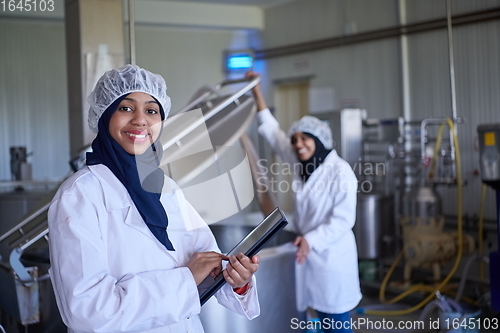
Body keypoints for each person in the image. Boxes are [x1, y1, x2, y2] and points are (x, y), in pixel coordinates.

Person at [48, 64, 260, 333]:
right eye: (125, 108)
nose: (140, 120)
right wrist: (185, 279)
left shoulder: (167, 189)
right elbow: (86, 310)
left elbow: (207, 265)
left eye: (151, 110)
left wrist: (236, 279)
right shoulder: (80, 195)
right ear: (104, 116)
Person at [246, 71, 361, 332]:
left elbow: (343, 219)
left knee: (336, 323)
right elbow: (274, 134)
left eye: (305, 138)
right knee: (311, 320)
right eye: (295, 139)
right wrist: (257, 94)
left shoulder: (339, 171)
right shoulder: (302, 164)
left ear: (318, 141)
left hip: (331, 258)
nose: (298, 144)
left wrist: (312, 239)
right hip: (306, 257)